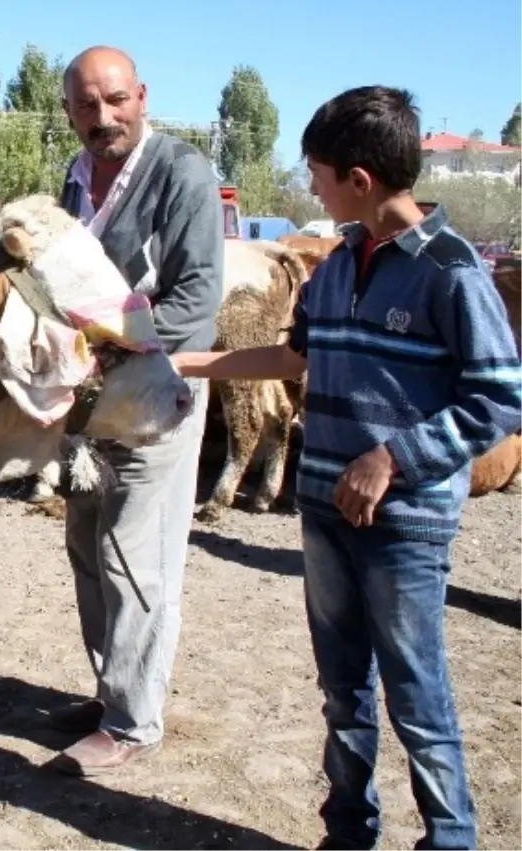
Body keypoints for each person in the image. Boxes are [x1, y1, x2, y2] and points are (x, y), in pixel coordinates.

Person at [173, 84, 522, 850]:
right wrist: (183, 362)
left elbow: (500, 395)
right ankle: (348, 829)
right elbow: (295, 354)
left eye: (317, 172)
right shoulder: (333, 269)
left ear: (358, 180)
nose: (310, 186)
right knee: (343, 690)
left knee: (417, 695)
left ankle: (450, 839)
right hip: (324, 514)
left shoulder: (453, 271)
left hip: (403, 527)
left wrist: (394, 457)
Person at [44, 46, 223, 776]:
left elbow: (197, 303)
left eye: (115, 100)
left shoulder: (183, 173)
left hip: (155, 397)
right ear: (68, 111)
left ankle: (132, 721)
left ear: (142, 95)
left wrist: (98, 336)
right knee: (87, 543)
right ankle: (112, 688)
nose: (103, 117)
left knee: (134, 555)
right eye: (87, 105)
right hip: (92, 400)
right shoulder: (75, 180)